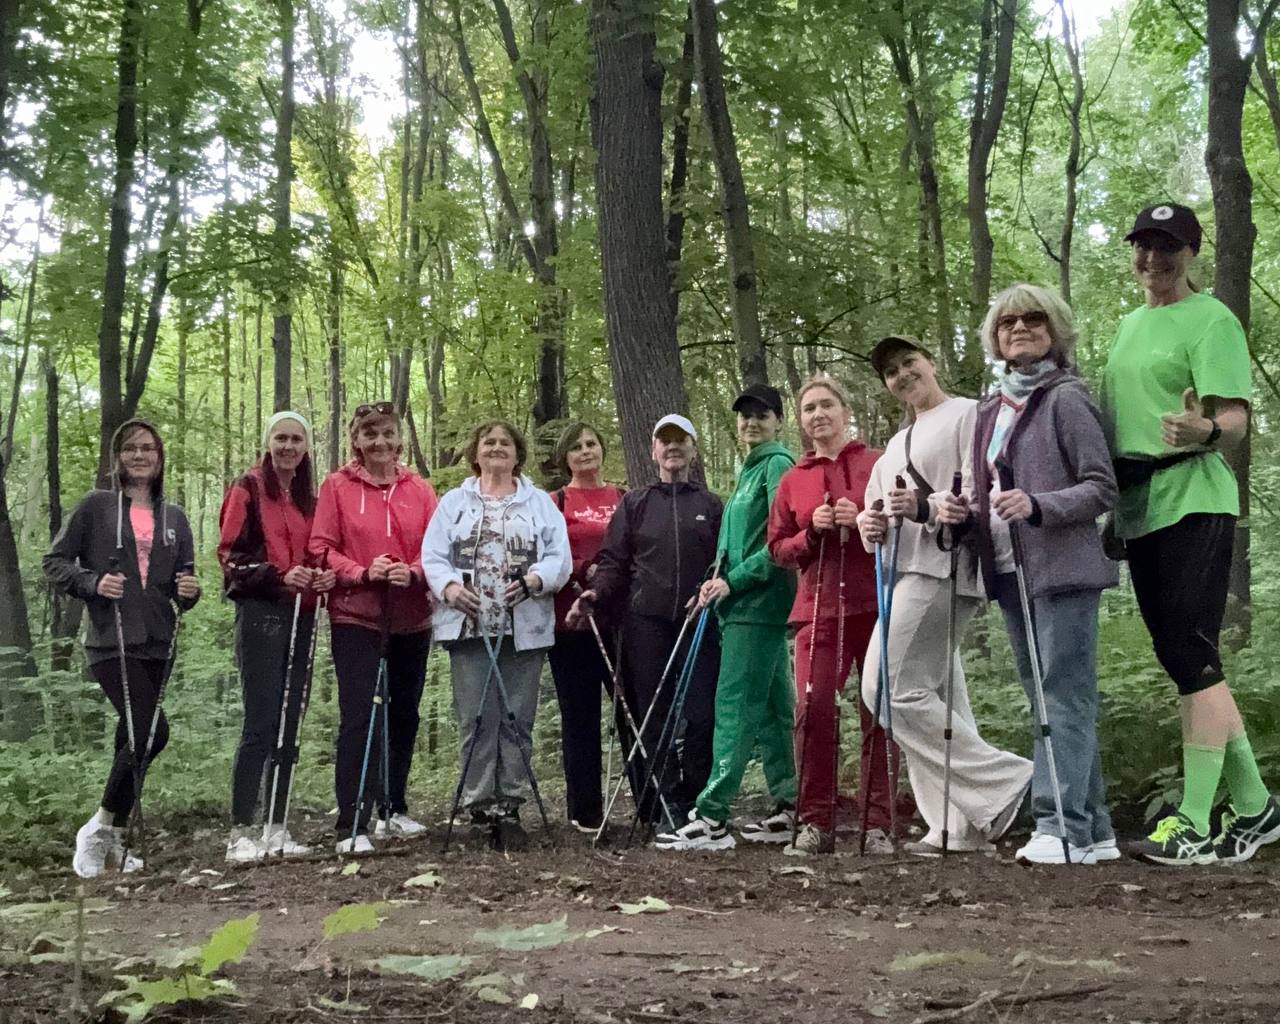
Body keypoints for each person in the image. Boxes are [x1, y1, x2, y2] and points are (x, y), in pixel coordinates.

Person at [1100, 203, 1278, 865]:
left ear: (1192, 253)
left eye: (1168, 247)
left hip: (1194, 496)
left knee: (1189, 655)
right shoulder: (1128, 326)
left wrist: (1204, 430)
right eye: (1144, 246)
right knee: (1191, 660)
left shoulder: (1212, 319)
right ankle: (1256, 807)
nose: (1153, 259)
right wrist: (1114, 511)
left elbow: (1234, 417)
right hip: (1141, 505)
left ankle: (1197, 822)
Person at [856, 336, 1032, 856]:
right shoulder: (895, 444)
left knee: (887, 690)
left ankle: (1005, 781)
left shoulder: (969, 416)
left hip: (941, 568)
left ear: (930, 361)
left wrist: (928, 507)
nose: (903, 374)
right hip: (900, 571)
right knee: (934, 698)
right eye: (891, 371)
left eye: (909, 361)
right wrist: (870, 522)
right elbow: (877, 510)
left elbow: (980, 491)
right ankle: (958, 827)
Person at [972, 286, 1119, 865]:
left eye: (1035, 319)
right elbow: (985, 490)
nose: (1021, 328)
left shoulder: (1066, 400)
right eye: (1008, 322)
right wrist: (962, 513)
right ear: (996, 337)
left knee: (1063, 697)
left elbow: (1101, 487)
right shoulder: (993, 408)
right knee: (1051, 699)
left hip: (1063, 571)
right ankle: (1095, 829)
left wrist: (1038, 506)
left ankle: (1059, 825)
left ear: (1056, 330)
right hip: (1012, 573)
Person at [44, 418, 201, 878]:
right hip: (111, 639)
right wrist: (93, 582)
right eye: (130, 448)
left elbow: (182, 588)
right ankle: (99, 827)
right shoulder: (96, 507)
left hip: (158, 640)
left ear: (160, 457)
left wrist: (189, 591)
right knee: (153, 732)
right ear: (117, 458)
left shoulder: (174, 517)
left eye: (148, 448)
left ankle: (113, 846)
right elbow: (54, 563)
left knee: (132, 739)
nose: (139, 455)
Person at [655, 385, 797, 851]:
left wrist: (733, 582)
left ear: (778, 420)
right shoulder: (749, 471)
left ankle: (712, 817)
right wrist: (714, 583)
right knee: (777, 710)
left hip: (757, 605)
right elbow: (733, 544)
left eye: (761, 415)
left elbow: (780, 541)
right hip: (742, 607)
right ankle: (789, 806)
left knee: (733, 709)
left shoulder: (777, 466)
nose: (751, 422)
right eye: (744, 416)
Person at [767, 376, 903, 856]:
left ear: (845, 411)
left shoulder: (878, 462)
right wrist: (812, 533)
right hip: (817, 608)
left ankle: (878, 823)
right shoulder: (793, 480)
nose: (818, 414)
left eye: (827, 405)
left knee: (880, 709)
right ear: (801, 422)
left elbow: (901, 522)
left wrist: (866, 518)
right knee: (814, 708)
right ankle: (815, 822)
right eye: (808, 409)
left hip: (875, 603)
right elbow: (778, 548)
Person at [422, 419, 571, 851]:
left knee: (516, 717)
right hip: (469, 625)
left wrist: (535, 581)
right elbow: (433, 554)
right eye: (489, 441)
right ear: (476, 451)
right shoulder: (454, 502)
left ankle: (509, 804)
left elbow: (560, 556)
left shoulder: (539, 502)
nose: (497, 448)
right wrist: (449, 587)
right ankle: (478, 805)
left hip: (523, 626)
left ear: (518, 453)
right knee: (476, 719)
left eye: (506, 442)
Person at [568, 414, 722, 828]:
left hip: (698, 623)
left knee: (702, 714)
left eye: (681, 441)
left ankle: (696, 801)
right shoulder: (635, 503)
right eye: (664, 441)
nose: (673, 448)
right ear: (653, 451)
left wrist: (714, 589)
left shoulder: (711, 505)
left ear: (693, 449)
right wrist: (595, 593)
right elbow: (614, 562)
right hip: (645, 624)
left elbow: (723, 565)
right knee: (652, 715)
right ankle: (666, 804)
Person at [308, 402, 438, 854]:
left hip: (411, 615)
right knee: (361, 715)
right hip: (356, 615)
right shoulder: (337, 487)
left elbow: (437, 548)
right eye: (369, 434)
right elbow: (321, 548)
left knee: (405, 713)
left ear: (399, 439)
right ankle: (353, 821)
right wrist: (363, 571)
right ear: (356, 441)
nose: (379, 442)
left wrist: (414, 572)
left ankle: (393, 807)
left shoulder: (419, 488)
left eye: (386, 433)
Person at [218, 411, 336, 863]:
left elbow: (320, 549)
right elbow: (230, 555)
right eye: (281, 439)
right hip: (262, 611)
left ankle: (277, 823)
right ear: (269, 443)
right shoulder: (247, 487)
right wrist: (280, 576)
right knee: (262, 719)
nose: (288, 447)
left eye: (296, 440)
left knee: (292, 719)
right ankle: (241, 829)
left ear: (306, 447)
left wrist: (320, 575)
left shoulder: (310, 496)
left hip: (303, 613)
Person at [546, 422, 626, 833]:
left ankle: (648, 800)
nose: (585, 451)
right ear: (565, 457)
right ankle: (585, 810)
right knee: (579, 716)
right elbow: (545, 552)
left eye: (591, 443)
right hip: (570, 623)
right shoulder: (554, 501)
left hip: (620, 620)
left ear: (602, 449)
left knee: (631, 712)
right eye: (576, 447)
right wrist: (582, 570)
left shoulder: (624, 497)